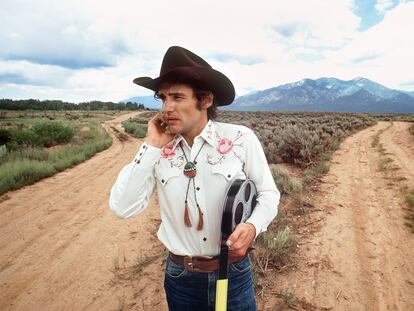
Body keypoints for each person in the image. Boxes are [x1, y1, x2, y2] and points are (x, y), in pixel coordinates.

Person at [109, 46, 280, 310]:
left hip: (232, 274)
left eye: (177, 97)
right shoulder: (156, 150)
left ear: (205, 100)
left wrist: (253, 226)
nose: (167, 107)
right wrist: (152, 145)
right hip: (181, 279)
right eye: (163, 98)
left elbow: (269, 194)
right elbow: (122, 207)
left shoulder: (240, 139)